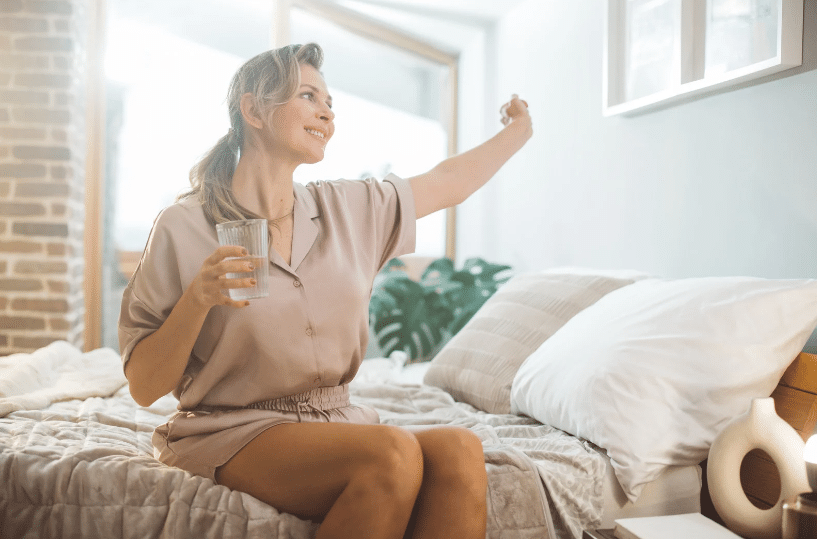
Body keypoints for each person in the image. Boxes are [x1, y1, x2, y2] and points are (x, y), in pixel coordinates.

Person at [119, 42, 532, 539]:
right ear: (253, 109)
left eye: (330, 103)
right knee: (392, 455)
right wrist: (198, 299)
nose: (327, 113)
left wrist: (518, 132)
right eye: (309, 96)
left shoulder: (349, 209)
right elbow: (144, 386)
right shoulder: (181, 226)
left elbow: (447, 181)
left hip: (335, 418)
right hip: (231, 427)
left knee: (460, 451)